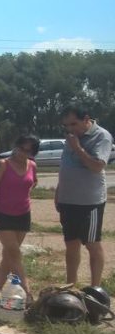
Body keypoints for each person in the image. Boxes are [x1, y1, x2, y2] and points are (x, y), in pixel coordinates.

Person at [55, 107, 113, 287]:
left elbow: (97, 167)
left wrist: (78, 148)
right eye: (67, 126)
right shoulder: (72, 138)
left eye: (74, 123)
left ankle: (95, 288)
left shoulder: (101, 136)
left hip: (89, 201)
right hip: (68, 199)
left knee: (91, 244)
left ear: (86, 119)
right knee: (71, 244)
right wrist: (58, 192)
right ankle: (71, 286)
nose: (71, 129)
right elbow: (65, 167)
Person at [0, 135, 40, 302]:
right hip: (2, 215)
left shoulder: (32, 165)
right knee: (15, 253)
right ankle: (27, 292)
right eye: (20, 147)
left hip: (23, 215)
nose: (22, 152)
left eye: (27, 150)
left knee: (8, 256)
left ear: (33, 152)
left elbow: (33, 182)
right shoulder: (3, 165)